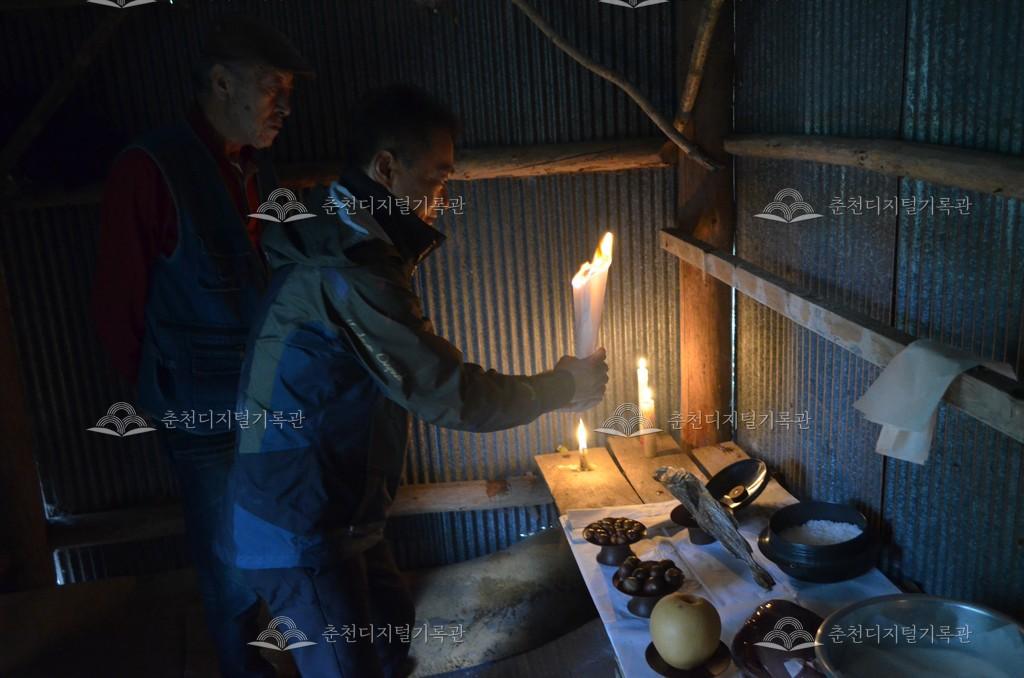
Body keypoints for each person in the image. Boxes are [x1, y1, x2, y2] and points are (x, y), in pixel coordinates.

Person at [218, 84, 609, 677]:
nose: (440, 196)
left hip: (338, 513)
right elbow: (446, 392)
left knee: (391, 642)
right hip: (299, 522)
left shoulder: (351, 240)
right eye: (436, 177)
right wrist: (560, 387)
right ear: (386, 168)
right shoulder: (349, 268)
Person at [91, 15, 312, 678]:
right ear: (221, 83)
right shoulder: (150, 168)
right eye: (273, 90)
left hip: (268, 402)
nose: (286, 108)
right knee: (228, 572)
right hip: (201, 411)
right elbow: (117, 302)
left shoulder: (254, 171)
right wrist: (160, 393)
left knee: (280, 550)